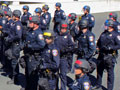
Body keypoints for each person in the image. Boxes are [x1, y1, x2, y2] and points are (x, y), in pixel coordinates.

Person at [94, 19, 120, 90]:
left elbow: (119, 45)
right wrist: (97, 48)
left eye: (107, 25)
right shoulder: (103, 33)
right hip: (101, 55)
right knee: (99, 70)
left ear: (111, 26)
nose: (105, 27)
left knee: (110, 73)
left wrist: (111, 48)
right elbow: (99, 42)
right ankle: (98, 84)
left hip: (110, 56)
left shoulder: (116, 35)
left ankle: (109, 88)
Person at [23, 15, 45, 90]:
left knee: (33, 76)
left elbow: (42, 45)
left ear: (35, 23)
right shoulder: (30, 31)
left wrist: (30, 46)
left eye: (31, 22)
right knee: (28, 74)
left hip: (34, 58)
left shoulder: (38, 33)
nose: (29, 24)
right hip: (28, 56)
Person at [55, 20, 75, 90]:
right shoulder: (56, 35)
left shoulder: (69, 37)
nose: (63, 30)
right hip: (56, 58)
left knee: (63, 75)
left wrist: (65, 50)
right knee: (55, 74)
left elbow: (72, 47)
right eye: (62, 28)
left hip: (64, 58)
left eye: (65, 28)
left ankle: (63, 88)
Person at [5, 10, 22, 84]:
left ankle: (15, 78)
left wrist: (10, 38)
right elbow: (11, 32)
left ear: (16, 16)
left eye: (13, 15)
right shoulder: (13, 23)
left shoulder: (18, 25)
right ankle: (13, 75)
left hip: (15, 45)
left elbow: (18, 36)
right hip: (11, 44)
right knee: (11, 59)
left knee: (14, 61)